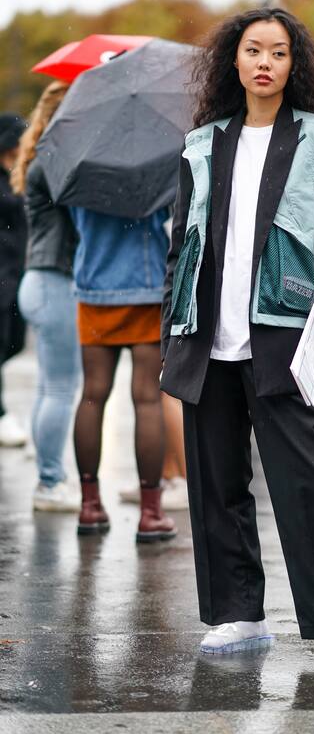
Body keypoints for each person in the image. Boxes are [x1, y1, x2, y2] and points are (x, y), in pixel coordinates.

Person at [160, 8, 314, 672]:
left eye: (278, 52)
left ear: (295, 65)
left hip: (284, 336)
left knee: (308, 483)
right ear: (233, 63)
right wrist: (172, 326)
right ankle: (236, 615)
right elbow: (181, 241)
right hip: (206, 338)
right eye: (252, 50)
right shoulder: (202, 143)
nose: (264, 62)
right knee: (216, 483)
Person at [70, 191, 177, 543]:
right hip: (146, 288)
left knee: (93, 394)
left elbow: (74, 216)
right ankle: (150, 513)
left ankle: (89, 505)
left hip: (94, 286)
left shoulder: (82, 158)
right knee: (147, 397)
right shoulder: (153, 158)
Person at [11, 81, 81, 511]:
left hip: (39, 279)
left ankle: (48, 472)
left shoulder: (42, 156)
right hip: (53, 280)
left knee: (48, 387)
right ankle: (50, 481)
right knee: (60, 388)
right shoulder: (55, 163)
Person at [0, 112, 27, 447]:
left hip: (15, 272)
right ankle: (2, 413)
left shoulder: (16, 175)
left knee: (14, 342)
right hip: (2, 274)